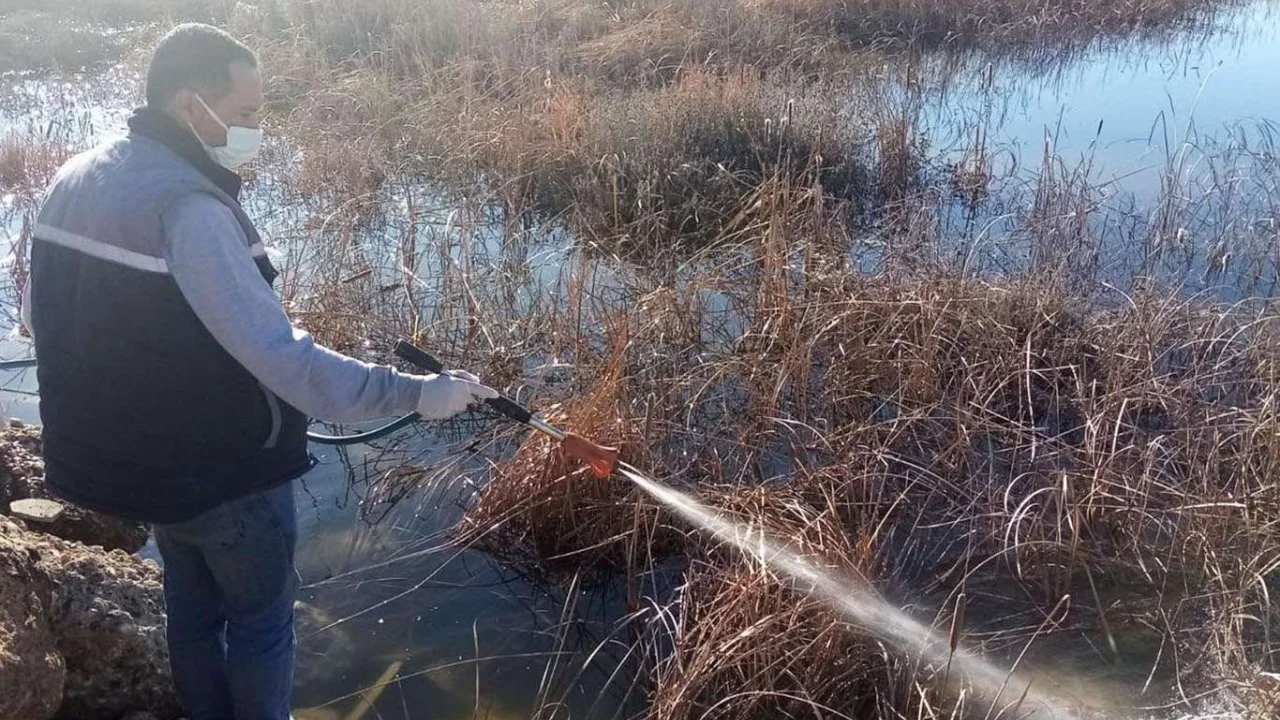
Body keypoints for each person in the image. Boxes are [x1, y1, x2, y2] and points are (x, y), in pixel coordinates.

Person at [23, 23, 498, 720]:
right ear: (191, 105)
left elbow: (39, 323)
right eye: (246, 114)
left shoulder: (75, 177)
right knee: (261, 623)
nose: (254, 130)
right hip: (223, 478)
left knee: (189, 613)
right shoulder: (188, 207)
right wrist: (420, 393)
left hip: (134, 471)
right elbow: (283, 360)